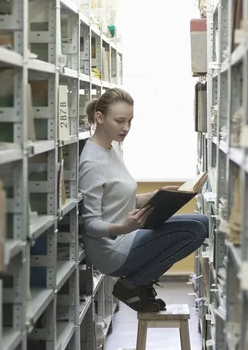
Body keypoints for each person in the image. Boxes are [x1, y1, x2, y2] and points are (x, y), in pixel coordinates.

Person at [79, 88, 208, 312]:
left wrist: (157, 196)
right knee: (194, 231)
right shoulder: (91, 162)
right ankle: (131, 285)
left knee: (204, 222)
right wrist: (122, 227)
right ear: (99, 118)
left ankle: (138, 282)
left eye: (130, 121)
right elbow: (90, 224)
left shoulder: (112, 148)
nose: (126, 128)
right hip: (112, 251)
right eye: (119, 121)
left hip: (128, 235)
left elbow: (118, 199)